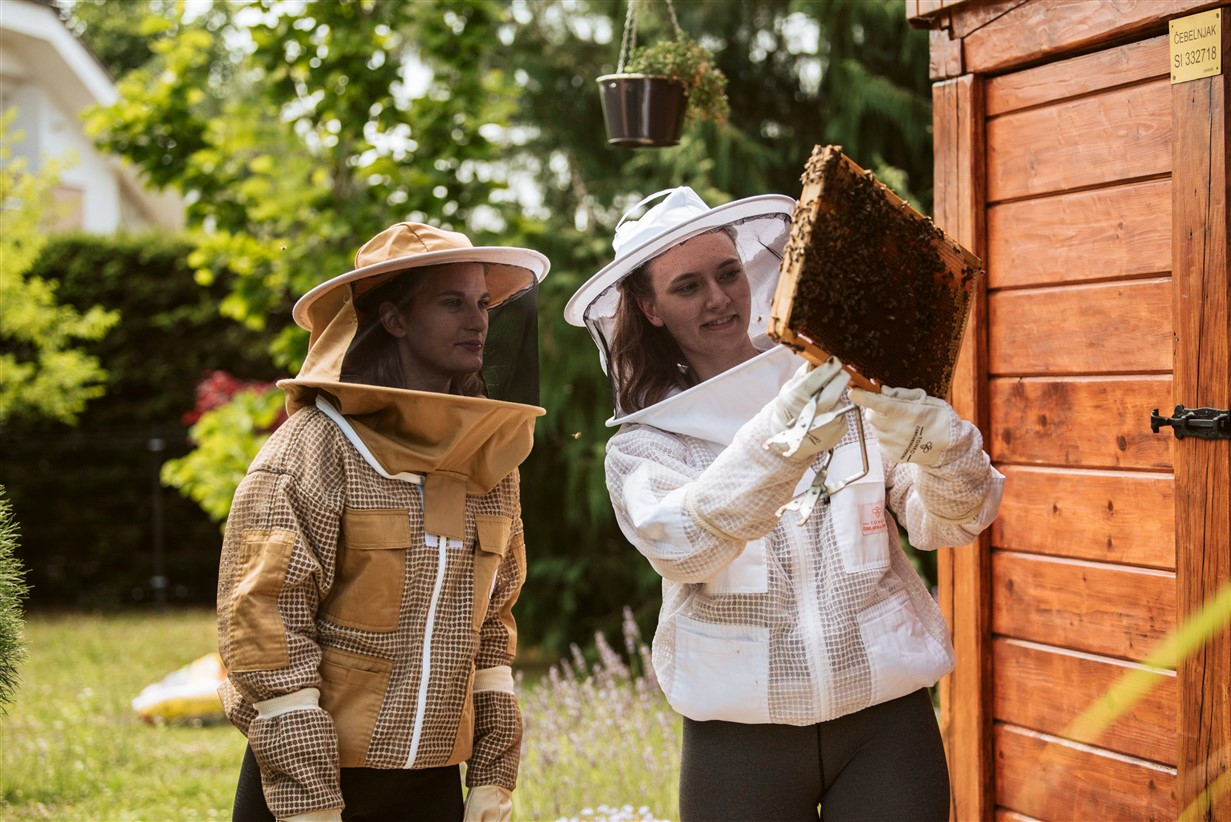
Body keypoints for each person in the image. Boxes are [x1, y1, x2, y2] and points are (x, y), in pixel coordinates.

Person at [564, 187, 1004, 821]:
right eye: (687, 287)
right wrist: (780, 446)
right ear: (648, 307)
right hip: (740, 741)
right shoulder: (645, 447)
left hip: (885, 724)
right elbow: (684, 547)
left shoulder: (835, 378)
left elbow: (955, 519)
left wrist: (940, 446)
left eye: (728, 272)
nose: (719, 298)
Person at [217, 222, 550, 822]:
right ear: (394, 320)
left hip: (433, 784)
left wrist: (495, 773)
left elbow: (492, 624)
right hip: (320, 783)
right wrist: (309, 801)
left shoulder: (489, 459)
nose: (478, 321)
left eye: (483, 303)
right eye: (452, 302)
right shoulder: (313, 448)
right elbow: (264, 626)